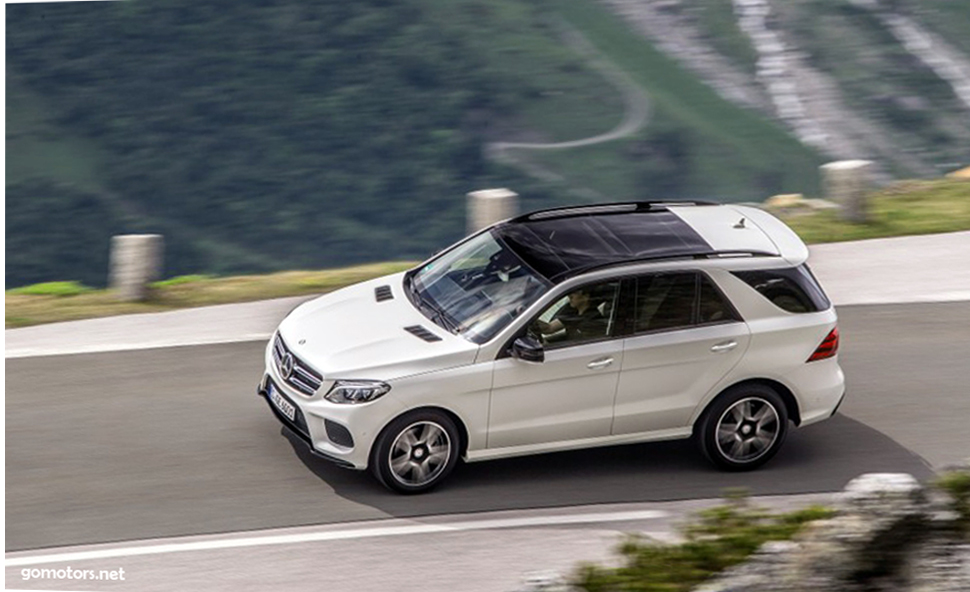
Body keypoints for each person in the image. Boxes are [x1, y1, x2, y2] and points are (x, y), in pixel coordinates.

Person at [535, 288, 607, 342]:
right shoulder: (572, 312)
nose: (570, 296)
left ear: (586, 297)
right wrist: (532, 321)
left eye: (575, 292)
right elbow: (549, 328)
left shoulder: (593, 320)